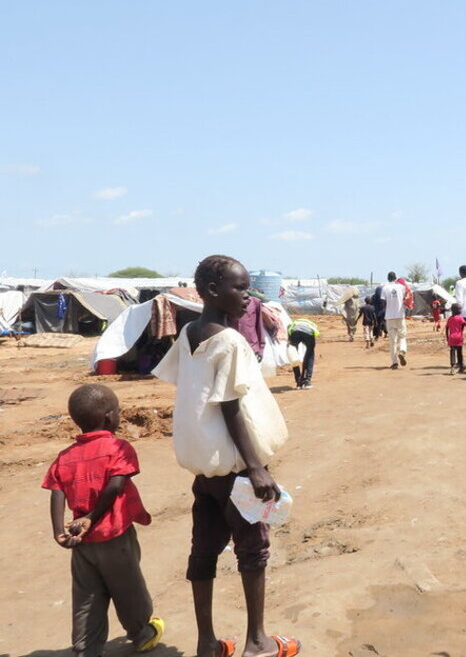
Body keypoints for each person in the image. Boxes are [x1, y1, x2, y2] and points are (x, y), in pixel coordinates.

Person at [152, 254, 300, 657]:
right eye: (240, 287)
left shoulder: (188, 334)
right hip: (236, 470)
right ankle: (257, 642)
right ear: (214, 291)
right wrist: (255, 468)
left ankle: (207, 643)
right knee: (253, 551)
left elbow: (190, 389)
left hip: (206, 472)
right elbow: (231, 406)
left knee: (203, 551)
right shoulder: (230, 341)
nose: (248, 296)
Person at [43, 384, 164, 657]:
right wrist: (92, 517)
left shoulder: (65, 456)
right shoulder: (118, 448)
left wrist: (57, 531)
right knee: (128, 588)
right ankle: (142, 634)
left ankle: (86, 647)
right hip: (114, 535)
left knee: (87, 595)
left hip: (81, 540)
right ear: (110, 417)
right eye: (119, 411)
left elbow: (56, 490)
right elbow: (115, 485)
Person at [381, 271, 409, 369]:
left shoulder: (385, 288)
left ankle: (394, 363)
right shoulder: (401, 287)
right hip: (400, 316)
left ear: (388, 278)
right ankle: (402, 350)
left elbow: (383, 303)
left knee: (392, 341)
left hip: (389, 317)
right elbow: (406, 298)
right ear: (395, 278)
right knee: (402, 336)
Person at [287, 316, 319, 389]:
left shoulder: (292, 324)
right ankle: (307, 381)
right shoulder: (312, 325)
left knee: (294, 357)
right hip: (308, 333)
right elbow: (314, 334)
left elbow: (289, 337)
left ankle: (298, 383)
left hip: (295, 333)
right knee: (309, 356)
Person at [445, 303, 466, 374]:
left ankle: (452, 367)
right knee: (459, 353)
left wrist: (447, 338)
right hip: (459, 337)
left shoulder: (450, 318)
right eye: (459, 309)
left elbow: (447, 328)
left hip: (451, 337)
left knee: (452, 352)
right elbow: (465, 325)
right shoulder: (460, 318)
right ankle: (461, 366)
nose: (460, 310)